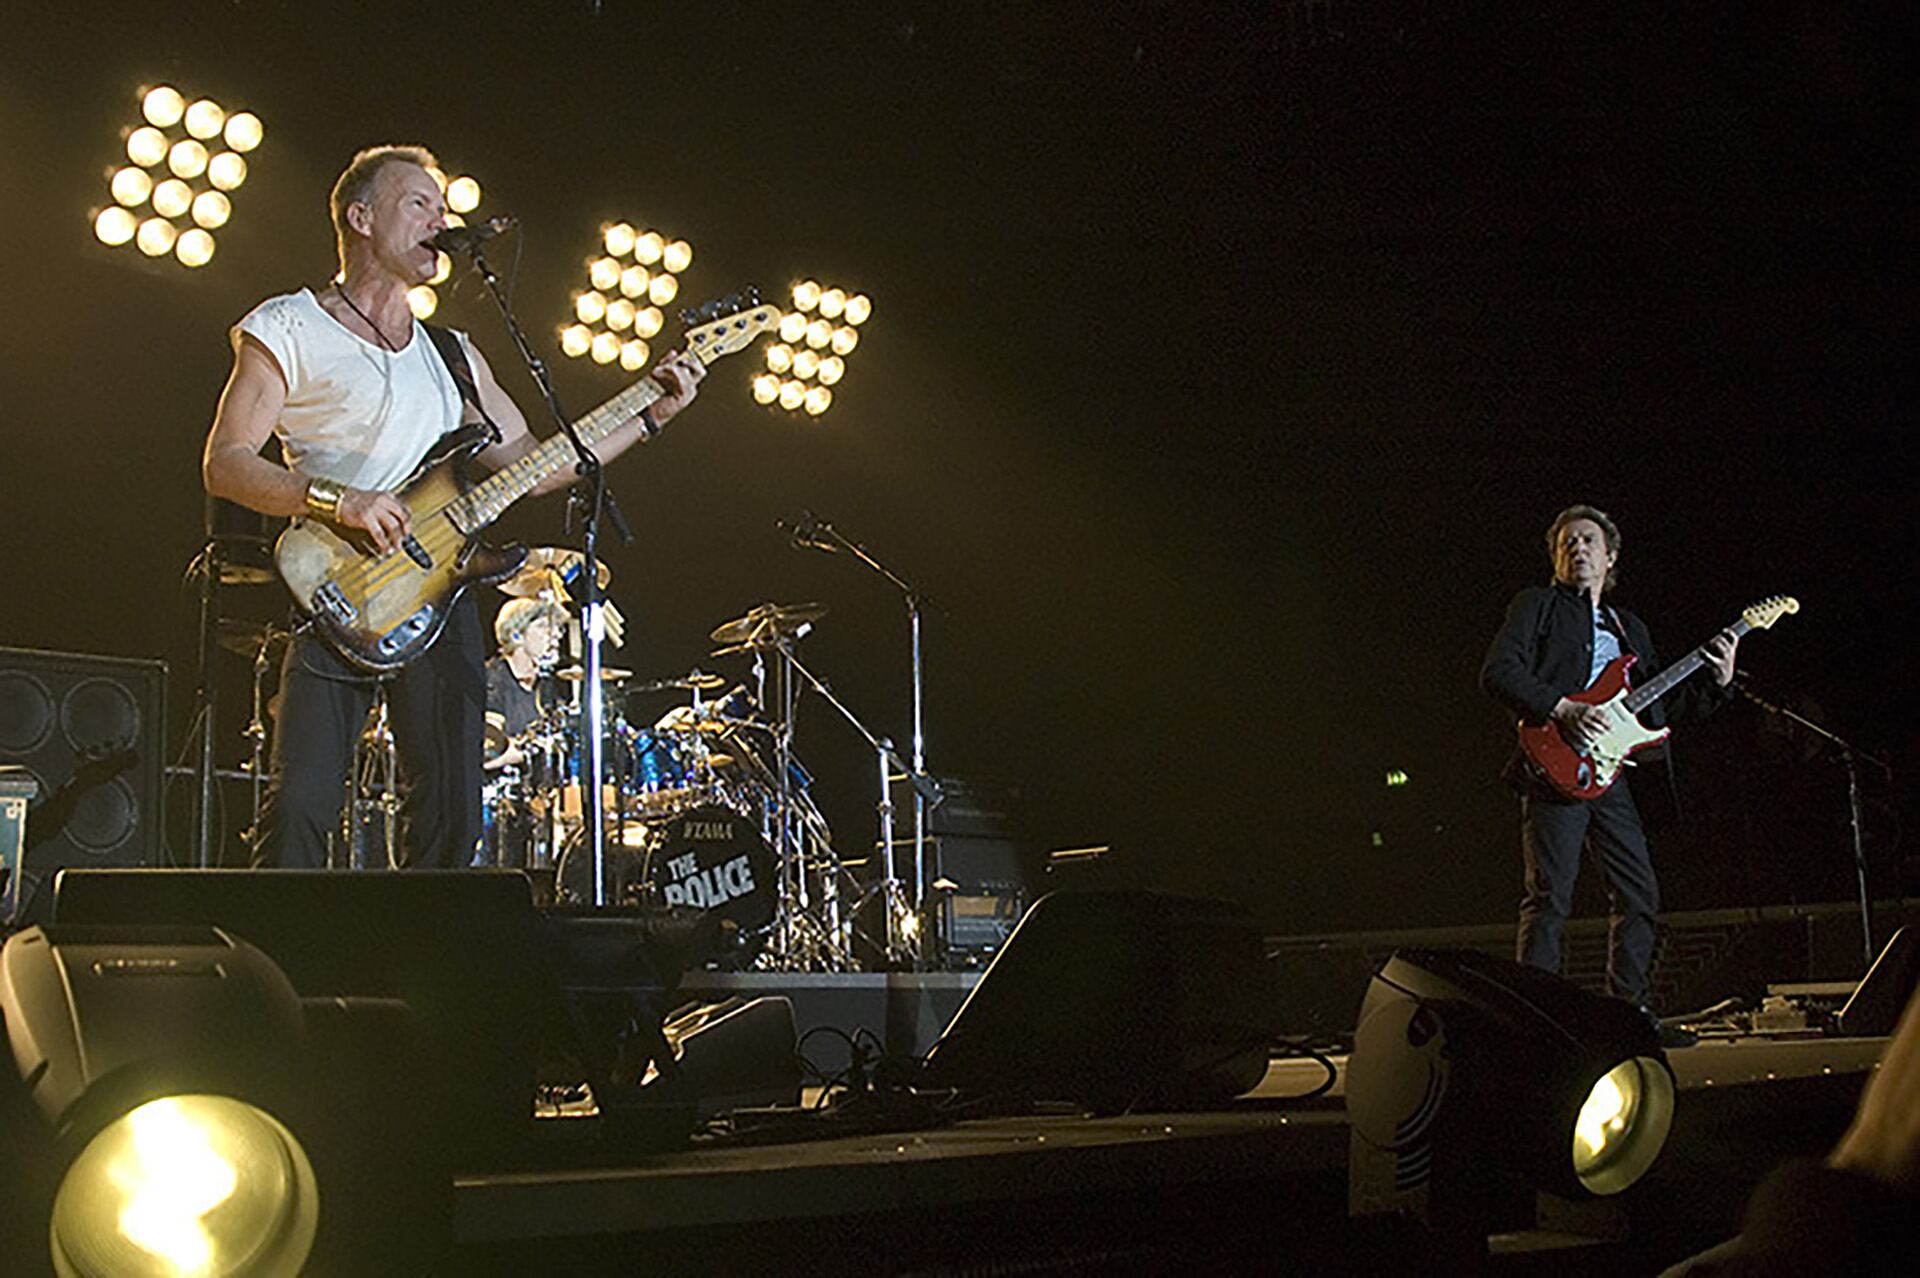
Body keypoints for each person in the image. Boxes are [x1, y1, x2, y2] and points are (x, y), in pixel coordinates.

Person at [202, 144, 704, 869]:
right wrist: (340, 500)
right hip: (337, 590)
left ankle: (425, 945)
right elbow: (226, 462)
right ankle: (278, 943)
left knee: (450, 816)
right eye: (420, 205)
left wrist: (650, 412)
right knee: (299, 809)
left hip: (441, 600)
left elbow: (536, 466)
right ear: (360, 217)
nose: (442, 222)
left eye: (444, 208)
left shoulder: (452, 354)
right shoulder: (289, 325)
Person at [1480, 505, 1737, 1023]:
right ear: (1555, 558)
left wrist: (1719, 682)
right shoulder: (1538, 606)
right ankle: (1536, 1017)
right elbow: (1498, 671)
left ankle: (1627, 1013)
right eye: (1567, 543)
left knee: (1639, 894)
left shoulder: (1629, 627)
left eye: (1588, 541)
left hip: (1612, 774)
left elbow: (1661, 713)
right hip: (1556, 764)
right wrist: (1564, 709)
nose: (1578, 548)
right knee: (1550, 896)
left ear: (1610, 556)